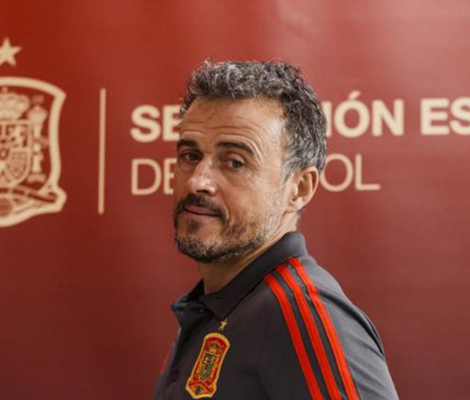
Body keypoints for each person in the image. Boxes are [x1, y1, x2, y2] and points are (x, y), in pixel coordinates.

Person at [154, 60, 398, 400]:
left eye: (234, 162)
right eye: (190, 156)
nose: (198, 181)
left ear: (299, 188)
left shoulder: (302, 311)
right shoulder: (217, 306)